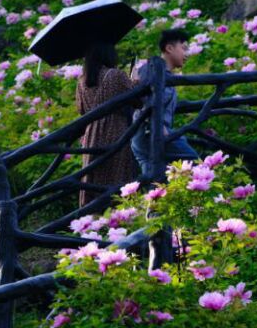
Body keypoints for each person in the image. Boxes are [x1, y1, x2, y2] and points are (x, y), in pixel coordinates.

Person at [75, 40, 141, 208]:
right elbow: (137, 100)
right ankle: (120, 220)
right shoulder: (115, 75)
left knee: (94, 179)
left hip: (91, 135)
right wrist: (135, 81)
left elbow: (81, 109)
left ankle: (94, 224)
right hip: (116, 130)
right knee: (118, 179)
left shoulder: (82, 81)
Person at [130, 29, 199, 178]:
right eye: (184, 48)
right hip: (150, 134)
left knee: (157, 182)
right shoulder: (153, 68)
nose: (187, 54)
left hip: (145, 135)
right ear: (169, 48)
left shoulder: (161, 73)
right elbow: (146, 103)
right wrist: (159, 126)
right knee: (196, 165)